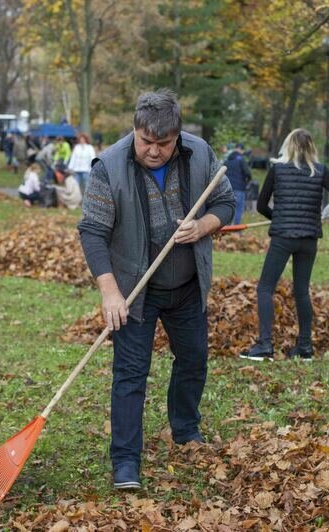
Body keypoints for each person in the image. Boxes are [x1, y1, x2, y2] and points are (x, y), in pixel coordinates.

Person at [78, 89, 235, 490]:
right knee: (130, 374)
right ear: (135, 130)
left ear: (177, 137)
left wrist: (202, 226)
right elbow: (93, 232)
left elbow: (226, 202)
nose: (153, 151)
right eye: (146, 141)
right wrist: (110, 291)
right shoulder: (109, 167)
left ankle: (185, 429)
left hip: (186, 285)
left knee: (194, 359)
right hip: (135, 292)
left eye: (163, 145)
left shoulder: (199, 154)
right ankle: (126, 461)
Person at [240, 128, 329, 362]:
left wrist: (278, 218)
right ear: (311, 148)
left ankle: (265, 345)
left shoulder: (277, 169)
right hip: (308, 240)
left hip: (283, 239)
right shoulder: (320, 171)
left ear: (288, 146)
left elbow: (260, 206)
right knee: (301, 291)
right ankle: (305, 347)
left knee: (265, 288)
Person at [225, 142, 252, 225]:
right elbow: (247, 173)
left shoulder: (227, 159)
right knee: (238, 209)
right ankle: (236, 231)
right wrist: (247, 180)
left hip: (227, 189)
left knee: (228, 209)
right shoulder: (241, 159)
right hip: (239, 188)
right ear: (242, 150)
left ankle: (226, 230)